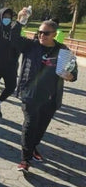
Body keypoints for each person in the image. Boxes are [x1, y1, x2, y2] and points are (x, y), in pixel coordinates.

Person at [10, 12, 78, 173]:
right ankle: (25, 160)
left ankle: (33, 148)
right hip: (30, 95)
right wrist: (20, 21)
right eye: (40, 32)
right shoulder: (31, 45)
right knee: (30, 124)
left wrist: (70, 76)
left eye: (46, 33)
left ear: (55, 34)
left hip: (50, 97)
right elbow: (13, 37)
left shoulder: (63, 51)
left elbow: (73, 72)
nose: (41, 35)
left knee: (40, 127)